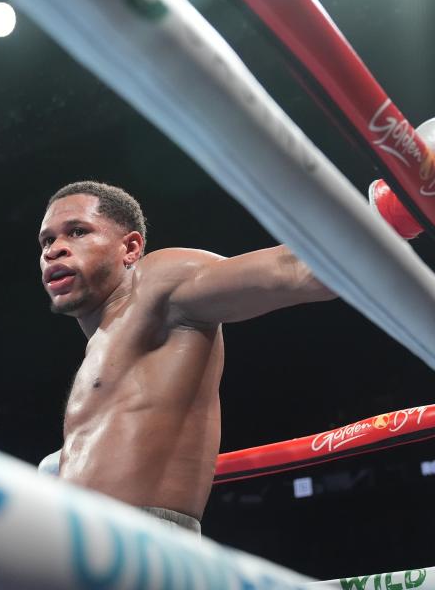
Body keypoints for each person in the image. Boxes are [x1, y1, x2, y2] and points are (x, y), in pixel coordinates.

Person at [36, 181, 335, 533]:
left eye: (77, 232)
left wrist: (390, 216)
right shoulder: (102, 349)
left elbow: (294, 270)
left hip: (140, 541)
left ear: (130, 248)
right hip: (78, 543)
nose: (55, 250)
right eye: (47, 241)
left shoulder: (156, 284)